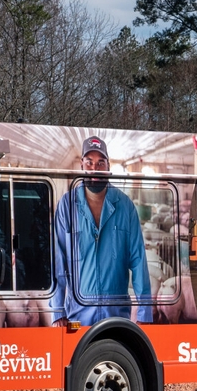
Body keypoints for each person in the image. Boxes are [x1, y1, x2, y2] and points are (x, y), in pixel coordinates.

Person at [51, 136, 152, 326]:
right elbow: (58, 261)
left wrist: (144, 313)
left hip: (116, 314)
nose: (95, 169)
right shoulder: (67, 205)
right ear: (82, 165)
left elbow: (138, 260)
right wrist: (57, 311)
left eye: (100, 163)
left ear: (108, 166)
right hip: (78, 314)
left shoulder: (125, 206)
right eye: (89, 162)